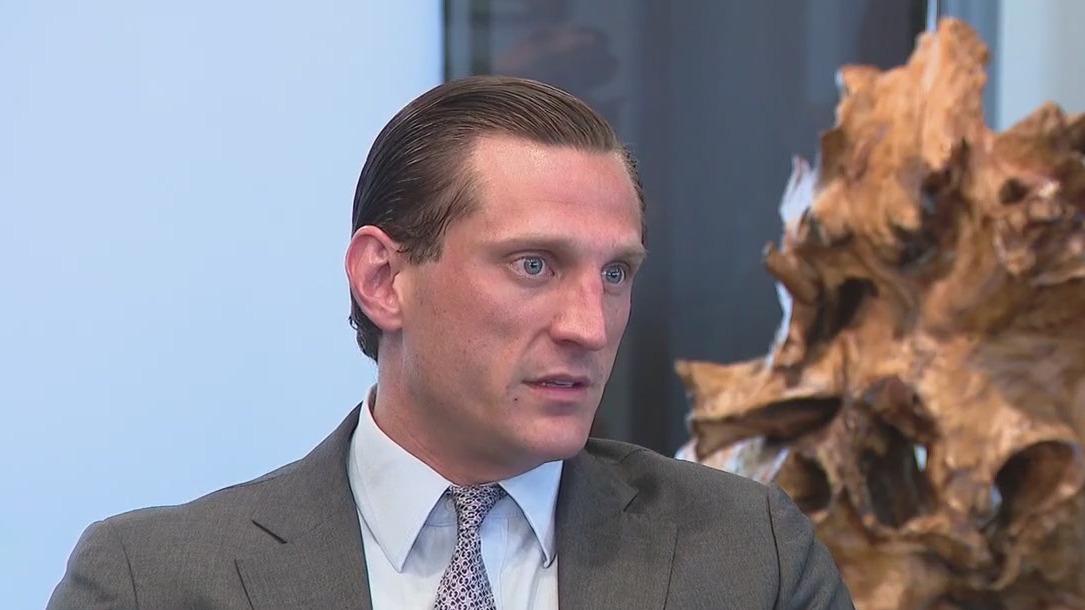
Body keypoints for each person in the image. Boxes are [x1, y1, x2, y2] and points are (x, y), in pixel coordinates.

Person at [48, 75, 854, 610]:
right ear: (383, 279)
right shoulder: (151, 581)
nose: (590, 325)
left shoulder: (750, 556)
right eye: (534, 265)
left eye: (615, 273)